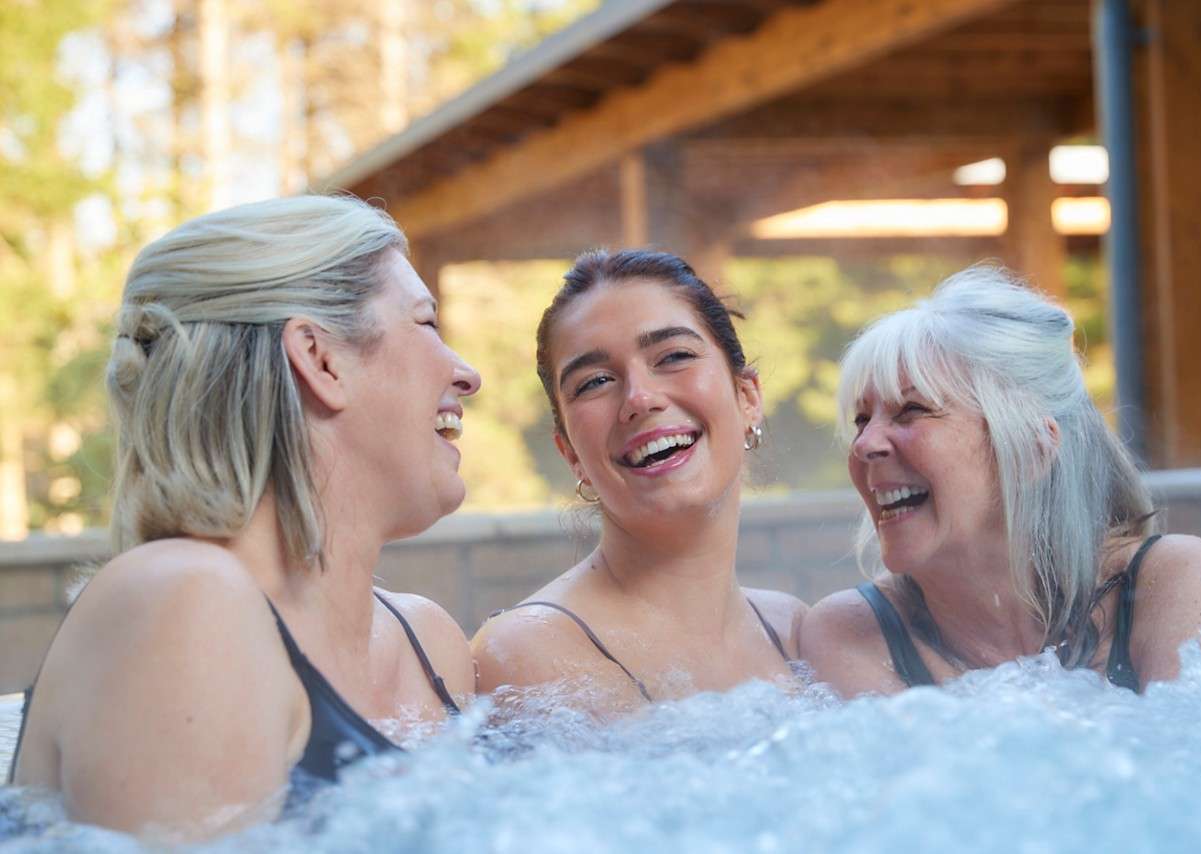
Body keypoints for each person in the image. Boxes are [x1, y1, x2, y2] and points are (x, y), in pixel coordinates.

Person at [7, 195, 480, 839]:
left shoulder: (427, 642)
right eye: (426, 323)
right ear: (319, 358)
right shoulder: (183, 602)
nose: (468, 373)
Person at [800, 265, 1201, 696]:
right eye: (861, 420)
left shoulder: (1173, 582)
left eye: (912, 410)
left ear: (1032, 449)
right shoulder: (854, 633)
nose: (864, 445)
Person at [471, 249, 806, 717]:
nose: (640, 398)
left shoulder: (795, 633)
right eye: (595, 382)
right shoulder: (528, 655)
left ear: (747, 398)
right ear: (570, 453)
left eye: (673, 356)